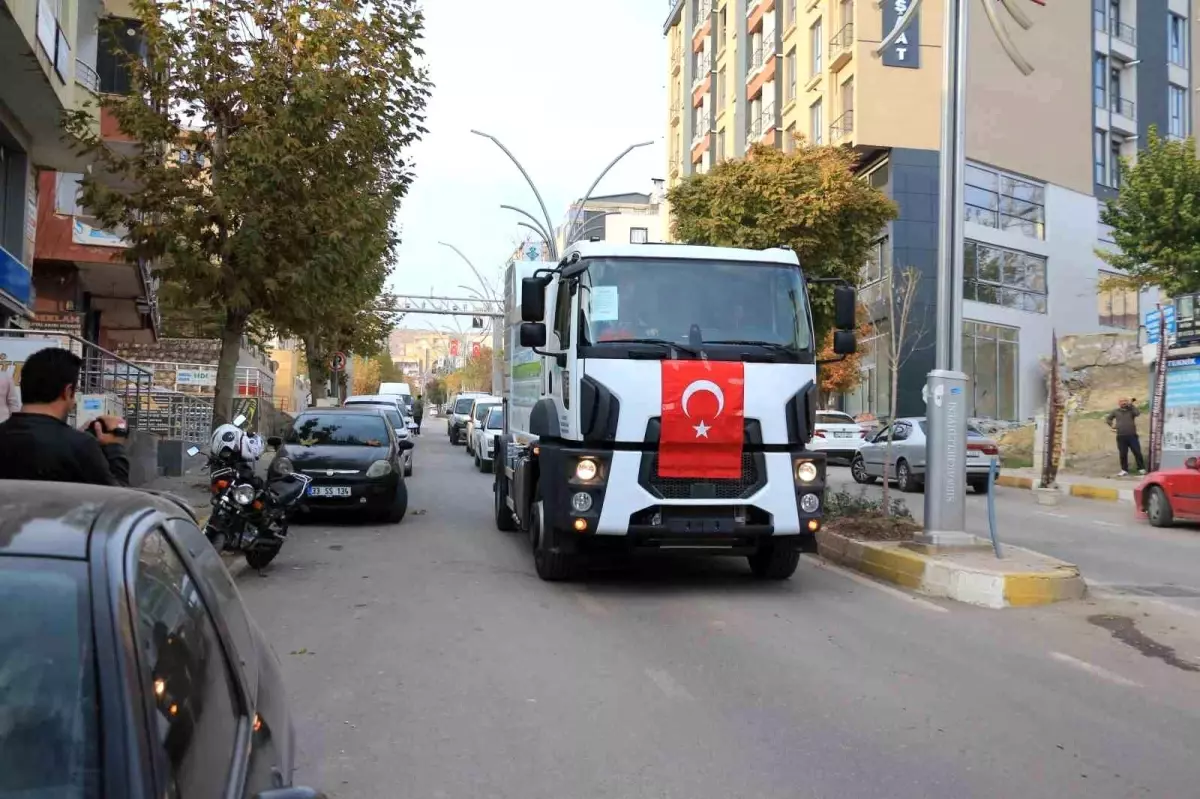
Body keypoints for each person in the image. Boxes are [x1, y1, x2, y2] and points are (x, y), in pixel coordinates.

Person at [0, 347, 130, 485]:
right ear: (67, 391)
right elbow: (119, 497)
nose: (74, 402)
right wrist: (115, 447)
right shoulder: (81, 447)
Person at [1106, 397, 1145, 476]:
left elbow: (1137, 413)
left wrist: (1131, 405)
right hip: (1121, 436)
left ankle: (1141, 468)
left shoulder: (1131, 410)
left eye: (1125, 401)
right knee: (1123, 454)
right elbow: (1108, 419)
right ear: (1119, 403)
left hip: (1132, 435)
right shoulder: (1115, 411)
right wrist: (1112, 425)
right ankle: (1124, 470)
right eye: (1121, 401)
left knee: (1137, 452)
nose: (1123, 403)